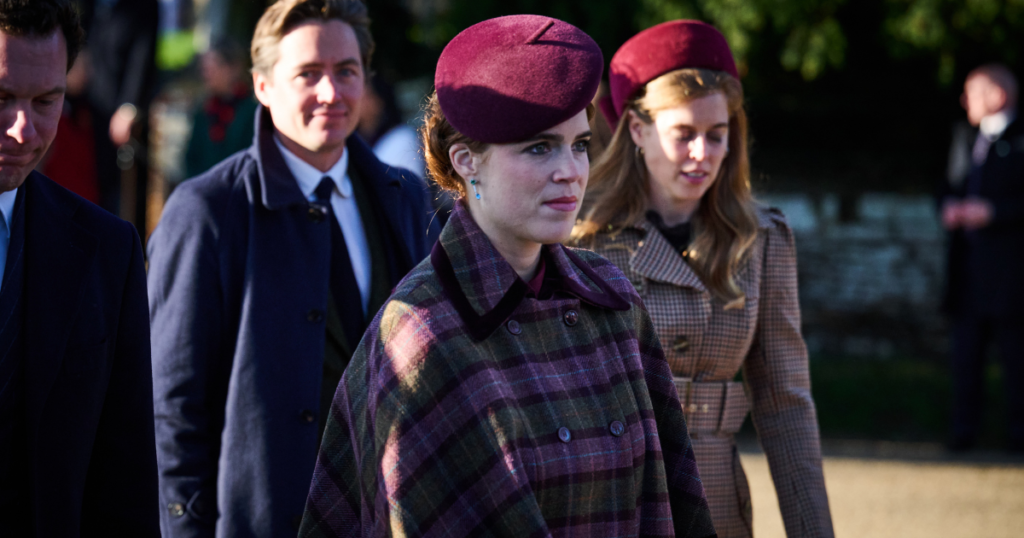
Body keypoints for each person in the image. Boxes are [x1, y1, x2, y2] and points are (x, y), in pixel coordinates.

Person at [300, 15, 716, 538]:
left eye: (580, 144)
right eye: (539, 147)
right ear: (466, 161)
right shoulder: (422, 334)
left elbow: (672, 502)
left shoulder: (613, 300)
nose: (571, 171)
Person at [147, 0, 439, 536]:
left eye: (346, 71)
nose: (331, 92)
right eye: (308, 73)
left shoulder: (404, 198)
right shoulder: (206, 212)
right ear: (262, 86)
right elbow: (173, 406)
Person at [575, 20, 833, 538]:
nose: (703, 153)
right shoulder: (583, 239)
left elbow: (785, 404)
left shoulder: (761, 239)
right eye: (684, 134)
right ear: (637, 130)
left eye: (718, 134)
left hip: (716, 505)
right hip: (609, 499)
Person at [0, 1, 158, 535]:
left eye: (47, 101)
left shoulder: (107, 253)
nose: (23, 130)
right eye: (0, 98)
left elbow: (126, 483)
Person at [940, 64, 1024, 453]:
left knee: (1016, 360)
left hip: (1012, 275)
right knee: (965, 358)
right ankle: (963, 433)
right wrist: (948, 208)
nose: (965, 101)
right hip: (967, 271)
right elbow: (947, 186)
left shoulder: (1020, 140)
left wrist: (994, 213)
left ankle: (1018, 435)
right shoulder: (964, 137)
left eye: (973, 92)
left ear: (998, 96)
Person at [78, 0, 159, 229]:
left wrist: (128, 106)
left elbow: (143, 55)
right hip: (92, 106)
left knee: (127, 193)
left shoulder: (143, 6)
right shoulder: (91, 5)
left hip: (126, 115)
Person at [183, 37, 259, 179]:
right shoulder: (204, 112)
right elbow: (191, 159)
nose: (206, 75)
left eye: (212, 69)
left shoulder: (252, 111)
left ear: (233, 68)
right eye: (204, 70)